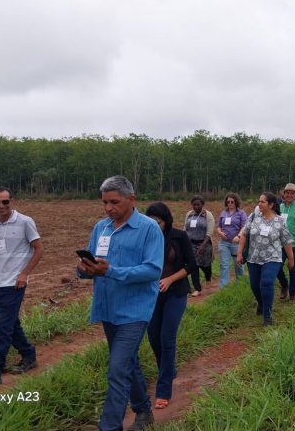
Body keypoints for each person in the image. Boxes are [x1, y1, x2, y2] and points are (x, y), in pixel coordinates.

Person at [76, 176, 164, 431]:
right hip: (107, 308)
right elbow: (93, 265)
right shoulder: (101, 228)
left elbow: (152, 270)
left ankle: (110, 426)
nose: (108, 208)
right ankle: (144, 411)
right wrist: (84, 269)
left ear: (131, 199)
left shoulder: (148, 229)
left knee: (117, 370)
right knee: (127, 362)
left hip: (134, 311)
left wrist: (111, 271)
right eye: (104, 202)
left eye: (114, 202)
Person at [0, 186, 43, 389]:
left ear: (12, 201)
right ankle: (29, 356)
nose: (1, 206)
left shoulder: (24, 221)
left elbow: (39, 249)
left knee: (4, 328)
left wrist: (24, 274)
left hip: (15, 283)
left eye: (5, 201)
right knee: (11, 324)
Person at [144, 202, 196, 410]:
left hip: (176, 292)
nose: (155, 225)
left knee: (167, 338)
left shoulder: (178, 237)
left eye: (159, 222)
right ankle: (168, 369)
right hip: (152, 294)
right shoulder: (144, 239)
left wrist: (170, 279)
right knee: (153, 336)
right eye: (152, 221)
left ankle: (164, 388)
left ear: (166, 221)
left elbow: (191, 265)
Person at [236, 192, 294, 326]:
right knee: (255, 286)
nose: (259, 204)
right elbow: (244, 235)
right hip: (253, 258)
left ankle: (267, 315)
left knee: (267, 283)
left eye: (262, 202)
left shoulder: (280, 221)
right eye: (259, 201)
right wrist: (239, 253)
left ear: (271, 205)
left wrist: (291, 259)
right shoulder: (254, 217)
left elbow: (287, 242)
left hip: (272, 257)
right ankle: (261, 304)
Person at [184, 196, 214, 296]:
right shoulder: (189, 214)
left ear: (202, 205)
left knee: (205, 265)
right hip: (191, 244)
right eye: (194, 204)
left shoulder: (207, 215)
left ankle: (208, 278)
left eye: (198, 204)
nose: (196, 206)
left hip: (204, 243)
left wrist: (203, 245)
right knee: (194, 265)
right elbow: (185, 229)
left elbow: (209, 232)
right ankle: (197, 289)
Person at [217, 193, 248, 288]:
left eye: (232, 202)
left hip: (237, 243)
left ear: (236, 202)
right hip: (224, 243)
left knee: (238, 264)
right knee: (224, 265)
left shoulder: (241, 213)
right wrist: (220, 233)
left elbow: (245, 226)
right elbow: (219, 227)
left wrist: (239, 236)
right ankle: (223, 287)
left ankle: (240, 284)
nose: (230, 203)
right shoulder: (223, 213)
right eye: (228, 202)